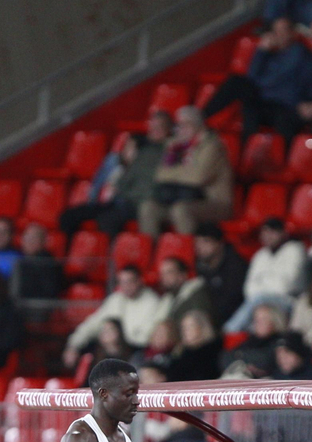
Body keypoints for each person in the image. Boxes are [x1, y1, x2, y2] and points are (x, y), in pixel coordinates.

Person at [58, 113, 171, 238]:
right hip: (116, 201)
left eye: (160, 128)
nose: (155, 131)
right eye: (153, 127)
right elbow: (113, 181)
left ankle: (113, 254)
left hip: (136, 202)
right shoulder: (138, 153)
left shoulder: (167, 151)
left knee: (107, 219)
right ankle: (68, 253)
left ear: (168, 129)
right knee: (68, 216)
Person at [198, 17, 309, 137]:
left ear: (293, 33)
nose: (279, 35)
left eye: (284, 31)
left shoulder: (298, 52)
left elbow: (272, 80)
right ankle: (201, 118)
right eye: (276, 31)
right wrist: (261, 50)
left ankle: (200, 119)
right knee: (238, 84)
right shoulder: (271, 53)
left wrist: (258, 79)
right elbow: (251, 76)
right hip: (264, 100)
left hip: (281, 106)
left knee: (246, 94)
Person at [139, 106, 234, 237]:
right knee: (148, 208)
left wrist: (173, 173)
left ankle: (187, 253)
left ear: (194, 125)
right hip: (181, 198)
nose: (178, 130)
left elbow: (198, 178)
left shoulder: (212, 146)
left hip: (214, 203)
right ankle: (154, 253)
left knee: (180, 210)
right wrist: (184, 170)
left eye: (182, 125)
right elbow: (159, 175)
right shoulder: (176, 145)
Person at [62, 265, 162, 366]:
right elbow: (92, 324)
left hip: (136, 352)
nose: (125, 286)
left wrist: (115, 337)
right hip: (111, 350)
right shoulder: (115, 299)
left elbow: (145, 338)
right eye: (122, 282)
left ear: (139, 281)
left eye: (129, 281)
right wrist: (73, 345)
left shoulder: (152, 301)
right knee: (87, 353)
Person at [225, 218, 304, 332]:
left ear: (283, 233)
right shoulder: (260, 255)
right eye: (265, 232)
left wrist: (262, 283)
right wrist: (270, 283)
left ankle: (229, 331)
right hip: (260, 302)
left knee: (258, 299)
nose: (268, 236)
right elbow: (248, 289)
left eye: (272, 232)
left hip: (291, 301)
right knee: (257, 309)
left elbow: (284, 287)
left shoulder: (295, 250)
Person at [193, 224, 248, 332]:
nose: (200, 247)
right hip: (210, 321)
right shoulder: (200, 266)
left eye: (205, 241)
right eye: (197, 243)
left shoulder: (236, 266)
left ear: (219, 243)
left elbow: (233, 301)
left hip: (234, 320)